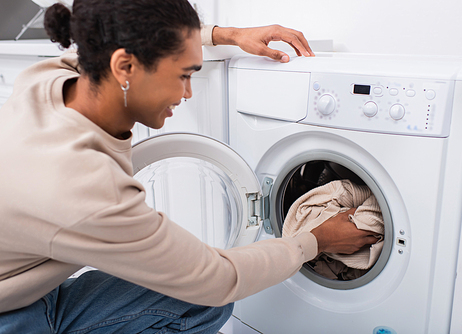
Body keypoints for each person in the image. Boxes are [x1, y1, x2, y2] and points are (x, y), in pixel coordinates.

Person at [0, 0, 379, 333]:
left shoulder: (51, 78)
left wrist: (228, 35)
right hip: (14, 317)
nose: (187, 93)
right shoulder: (83, 187)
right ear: (126, 66)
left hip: (27, 291)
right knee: (205, 301)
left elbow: (127, 33)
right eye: (183, 75)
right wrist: (315, 241)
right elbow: (217, 279)